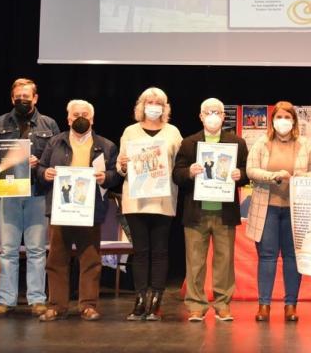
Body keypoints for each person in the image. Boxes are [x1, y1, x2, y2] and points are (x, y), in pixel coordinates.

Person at [36, 99, 118, 322]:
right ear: (68, 118)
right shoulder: (55, 142)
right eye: (75, 114)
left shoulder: (106, 145)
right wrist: (45, 173)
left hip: (89, 210)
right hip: (61, 209)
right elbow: (41, 168)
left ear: (92, 119)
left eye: (85, 115)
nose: (80, 118)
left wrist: (106, 177)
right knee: (57, 259)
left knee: (90, 260)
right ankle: (56, 306)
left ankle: (88, 306)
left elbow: (115, 175)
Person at [0, 78, 60, 318]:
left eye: (26, 97)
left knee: (36, 249)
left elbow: (56, 157)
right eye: (18, 97)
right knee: (8, 250)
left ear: (35, 98)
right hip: (8, 192)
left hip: (37, 192)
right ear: (12, 98)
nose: (22, 100)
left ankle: (37, 299)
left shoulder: (48, 124)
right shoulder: (0, 122)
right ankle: (5, 300)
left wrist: (40, 162)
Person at [172, 98, 249, 322]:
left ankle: (223, 304)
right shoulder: (189, 143)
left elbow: (247, 171)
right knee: (195, 261)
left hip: (225, 212)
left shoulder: (237, 142)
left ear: (224, 116)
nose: (212, 116)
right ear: (201, 116)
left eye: (217, 112)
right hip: (196, 212)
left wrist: (241, 175)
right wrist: (189, 172)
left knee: (225, 262)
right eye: (208, 112)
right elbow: (177, 174)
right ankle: (196, 305)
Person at [245, 101, 311, 322]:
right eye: (279, 117)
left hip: (295, 210)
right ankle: (264, 305)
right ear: (272, 120)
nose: (283, 121)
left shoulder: (305, 145)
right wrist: (273, 176)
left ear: (294, 121)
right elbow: (251, 170)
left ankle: (291, 306)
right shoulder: (261, 143)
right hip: (266, 209)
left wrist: (303, 177)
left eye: (287, 117)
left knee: (292, 258)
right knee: (267, 257)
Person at [111, 87, 183, 321]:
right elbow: (120, 167)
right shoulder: (130, 131)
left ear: (165, 107)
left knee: (160, 251)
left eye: (158, 102)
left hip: (163, 200)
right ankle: (140, 299)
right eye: (149, 102)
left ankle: (156, 301)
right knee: (140, 252)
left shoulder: (173, 132)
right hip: (136, 200)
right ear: (141, 106)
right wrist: (122, 164)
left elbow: (180, 165)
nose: (154, 106)